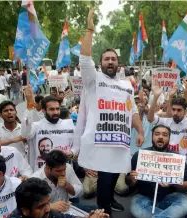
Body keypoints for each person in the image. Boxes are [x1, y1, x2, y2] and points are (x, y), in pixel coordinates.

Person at [75, 9, 144, 215]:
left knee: (115, 173)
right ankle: (104, 210)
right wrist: (89, 29)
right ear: (101, 63)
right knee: (104, 178)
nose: (110, 62)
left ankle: (110, 200)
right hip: (99, 139)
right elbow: (85, 59)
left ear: (118, 62)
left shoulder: (126, 85)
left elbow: (132, 111)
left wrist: (140, 131)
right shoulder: (93, 79)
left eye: (113, 59)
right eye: (106, 59)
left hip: (120, 139)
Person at [127, 125, 187, 218]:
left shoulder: (177, 157)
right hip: (143, 197)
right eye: (157, 134)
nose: (161, 137)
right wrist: (131, 179)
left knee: (186, 203)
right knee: (136, 209)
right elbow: (128, 182)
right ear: (152, 137)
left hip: (169, 197)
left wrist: (173, 183)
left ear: (169, 138)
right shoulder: (139, 155)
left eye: (165, 135)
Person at [147, 79, 187, 174]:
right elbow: (150, 119)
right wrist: (156, 96)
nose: (175, 113)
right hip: (167, 166)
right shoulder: (166, 122)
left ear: (185, 111)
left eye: (179, 110)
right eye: (173, 109)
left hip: (186, 168)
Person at [31, 150, 97, 213]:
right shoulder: (36, 179)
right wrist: (50, 206)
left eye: (64, 170)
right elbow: (31, 205)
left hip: (68, 208)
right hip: (48, 213)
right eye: (58, 171)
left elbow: (81, 191)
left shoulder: (68, 168)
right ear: (48, 169)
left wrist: (67, 186)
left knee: (99, 210)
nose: (63, 173)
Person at [22, 94, 76, 171]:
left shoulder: (68, 124)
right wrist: (30, 105)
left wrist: (72, 152)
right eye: (52, 109)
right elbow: (25, 133)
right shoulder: (36, 126)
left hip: (65, 171)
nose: (56, 112)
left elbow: (77, 144)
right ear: (44, 110)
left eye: (57, 109)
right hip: (42, 173)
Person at [11, 178, 109, 218]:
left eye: (48, 203)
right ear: (25, 211)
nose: (48, 209)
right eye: (40, 206)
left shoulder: (48, 214)